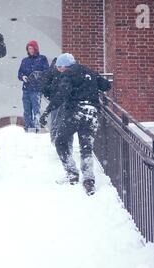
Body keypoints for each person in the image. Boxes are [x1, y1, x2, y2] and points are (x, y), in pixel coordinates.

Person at [39, 53, 112, 195]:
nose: (59, 71)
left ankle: (72, 173)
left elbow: (61, 95)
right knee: (86, 147)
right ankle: (89, 180)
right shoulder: (89, 71)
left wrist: (47, 111)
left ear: (65, 66)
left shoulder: (68, 74)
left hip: (75, 112)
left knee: (60, 141)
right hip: (92, 113)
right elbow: (106, 85)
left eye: (59, 67)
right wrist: (90, 86)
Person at [17, 40, 49, 132]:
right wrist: (23, 77)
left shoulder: (42, 59)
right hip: (26, 88)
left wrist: (37, 74)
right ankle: (29, 128)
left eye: (32, 48)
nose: (30, 50)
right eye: (29, 48)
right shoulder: (24, 61)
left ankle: (37, 128)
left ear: (36, 48)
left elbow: (47, 72)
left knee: (36, 109)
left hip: (37, 88)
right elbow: (19, 73)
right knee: (27, 110)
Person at [40, 56, 59, 143]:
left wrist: (50, 96)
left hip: (55, 99)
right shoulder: (53, 73)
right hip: (57, 99)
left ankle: (54, 139)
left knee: (55, 120)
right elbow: (45, 86)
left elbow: (44, 87)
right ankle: (55, 139)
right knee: (57, 120)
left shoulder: (50, 72)